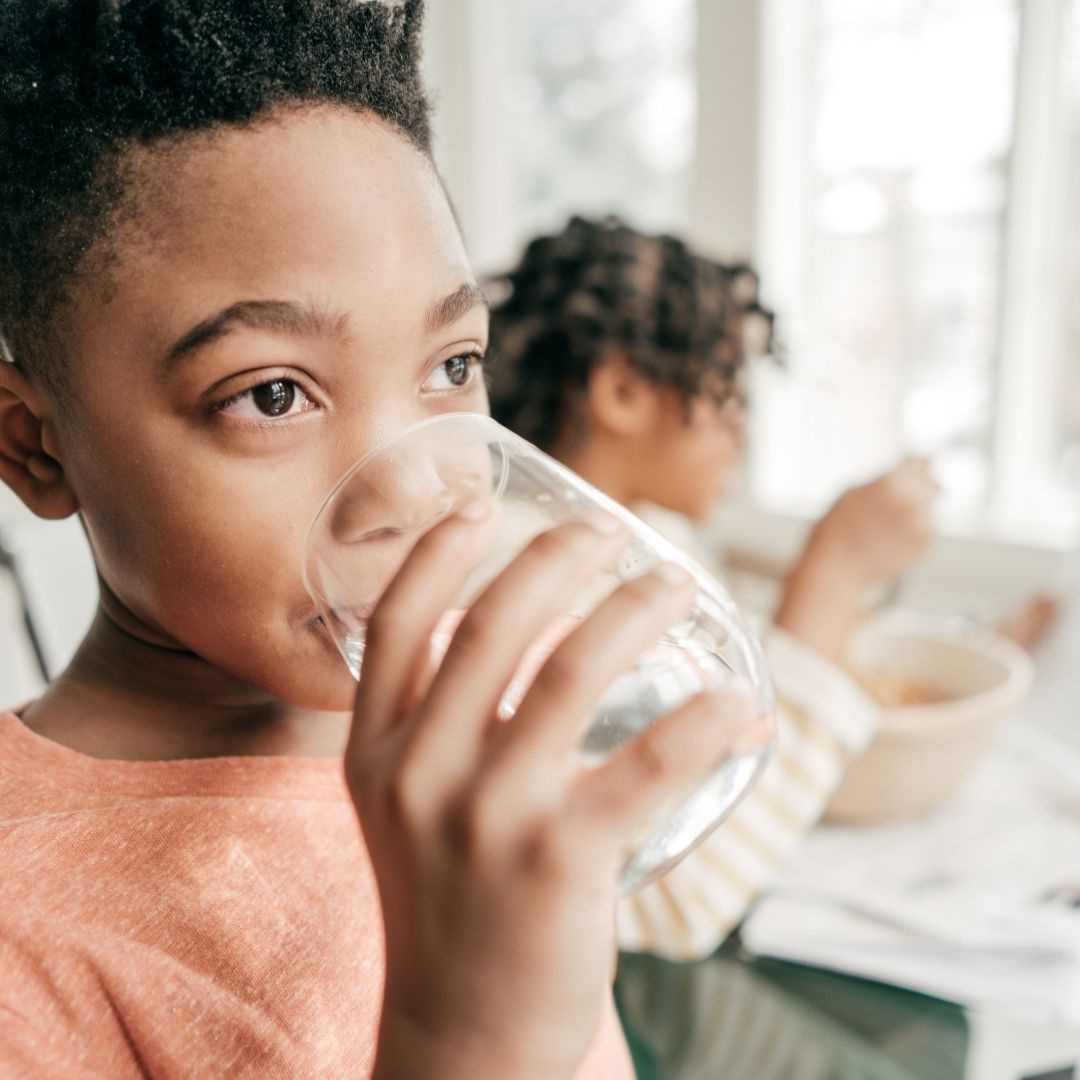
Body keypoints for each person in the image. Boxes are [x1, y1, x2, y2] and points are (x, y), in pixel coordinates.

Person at [0, 6, 768, 1077]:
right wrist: (468, 1038)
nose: (412, 488)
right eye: (273, 393)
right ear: (36, 447)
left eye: (451, 367)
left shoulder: (491, 717)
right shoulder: (27, 945)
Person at [488, 216, 938, 958]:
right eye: (729, 389)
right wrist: (837, 570)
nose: (745, 430)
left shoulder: (649, 537)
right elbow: (681, 900)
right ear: (624, 390)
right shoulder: (534, 575)